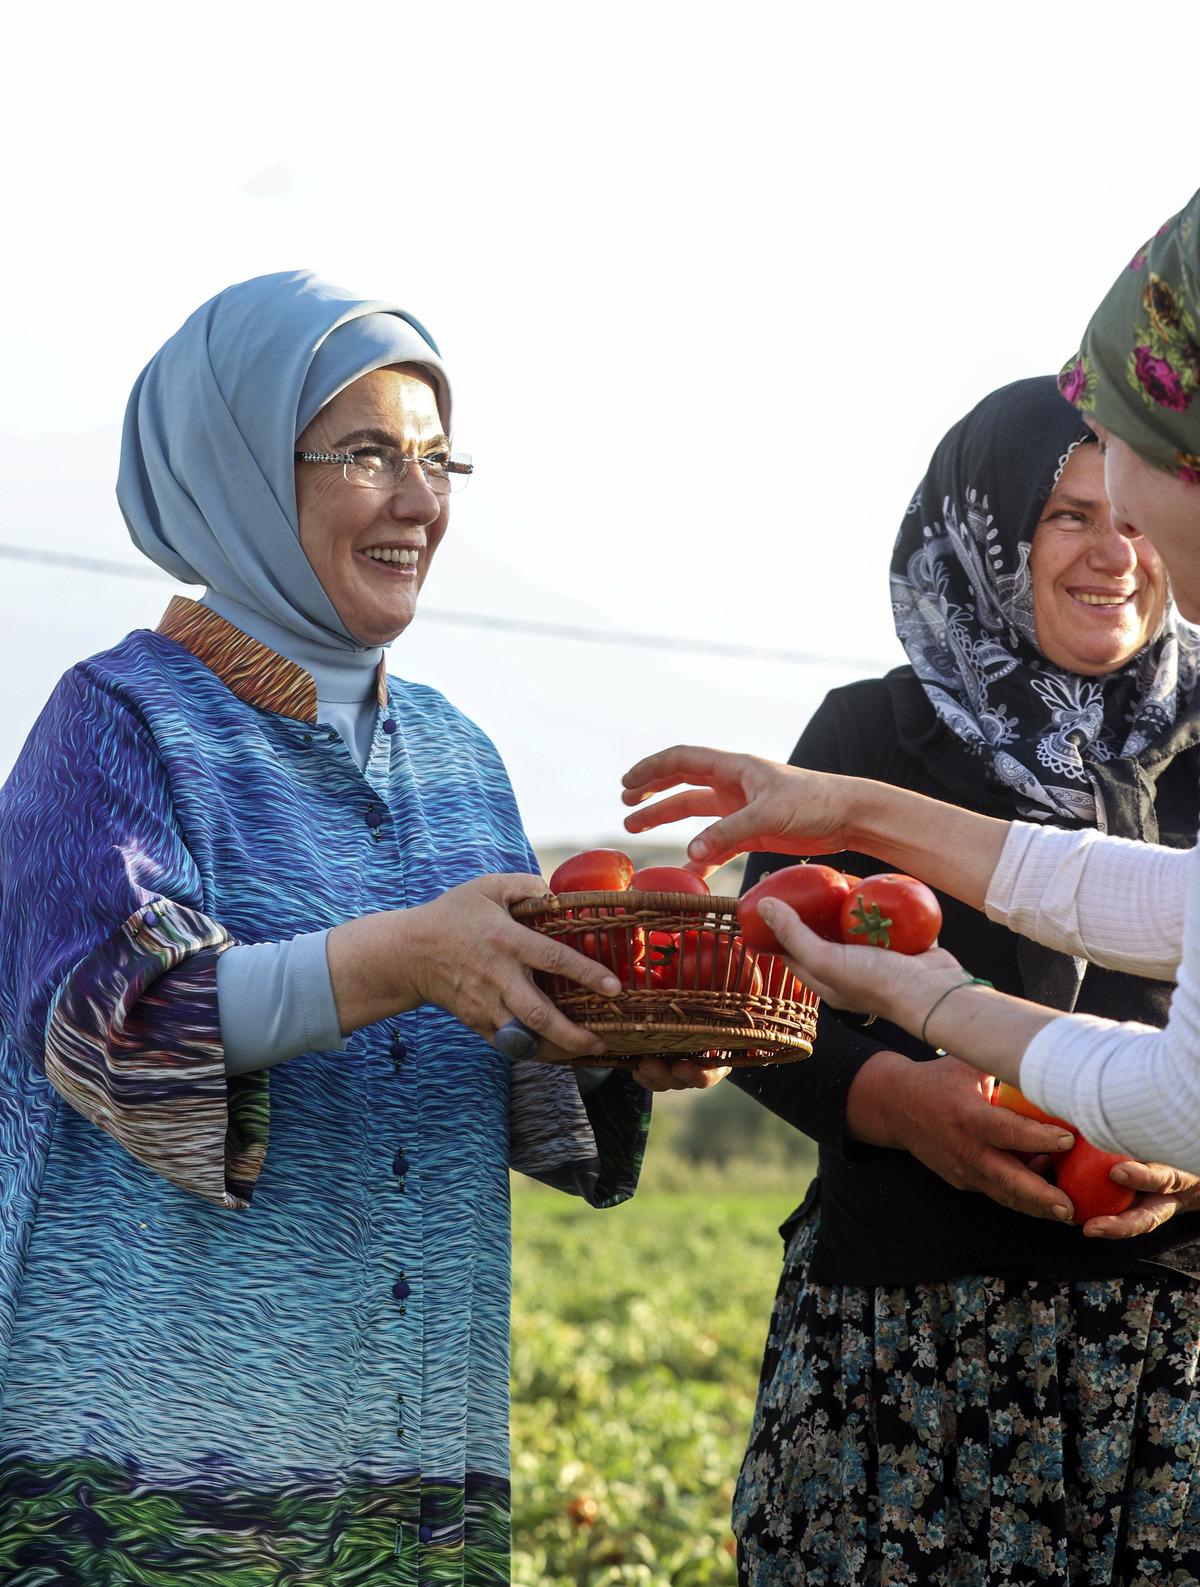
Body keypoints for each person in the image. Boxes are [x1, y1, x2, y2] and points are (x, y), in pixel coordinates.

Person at [0, 270, 661, 1585]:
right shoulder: (120, 723)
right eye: (367, 454)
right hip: (168, 1459)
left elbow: (505, 1067)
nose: (419, 502)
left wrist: (619, 1034)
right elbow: (116, 1019)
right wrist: (405, 956)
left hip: (414, 1442)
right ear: (235, 466)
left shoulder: (463, 760)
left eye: (436, 458)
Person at [698, 374, 1200, 1584]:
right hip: (908, 1330)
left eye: (1132, 514)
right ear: (981, 532)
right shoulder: (869, 737)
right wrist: (900, 1104)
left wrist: (1188, 1145)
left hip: (1168, 1347)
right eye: (1066, 516)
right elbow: (780, 1000)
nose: (1115, 553)